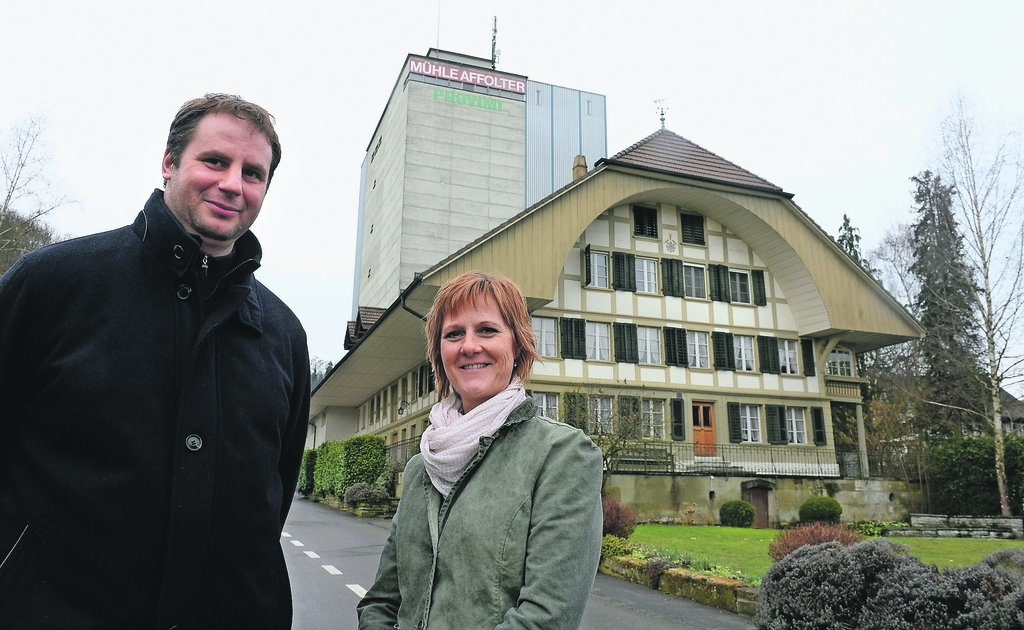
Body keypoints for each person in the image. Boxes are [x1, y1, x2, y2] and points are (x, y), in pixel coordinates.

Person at [0, 94, 310, 628]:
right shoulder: (51, 286)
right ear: (169, 162)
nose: (233, 184)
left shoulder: (284, 336)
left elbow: (273, 496)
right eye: (215, 161)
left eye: (253, 173)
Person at [357, 271, 603, 630]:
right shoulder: (419, 468)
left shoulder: (562, 455)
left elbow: (547, 618)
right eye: (454, 334)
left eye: (487, 330)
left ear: (517, 345)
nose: (469, 346)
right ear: (439, 355)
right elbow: (381, 602)